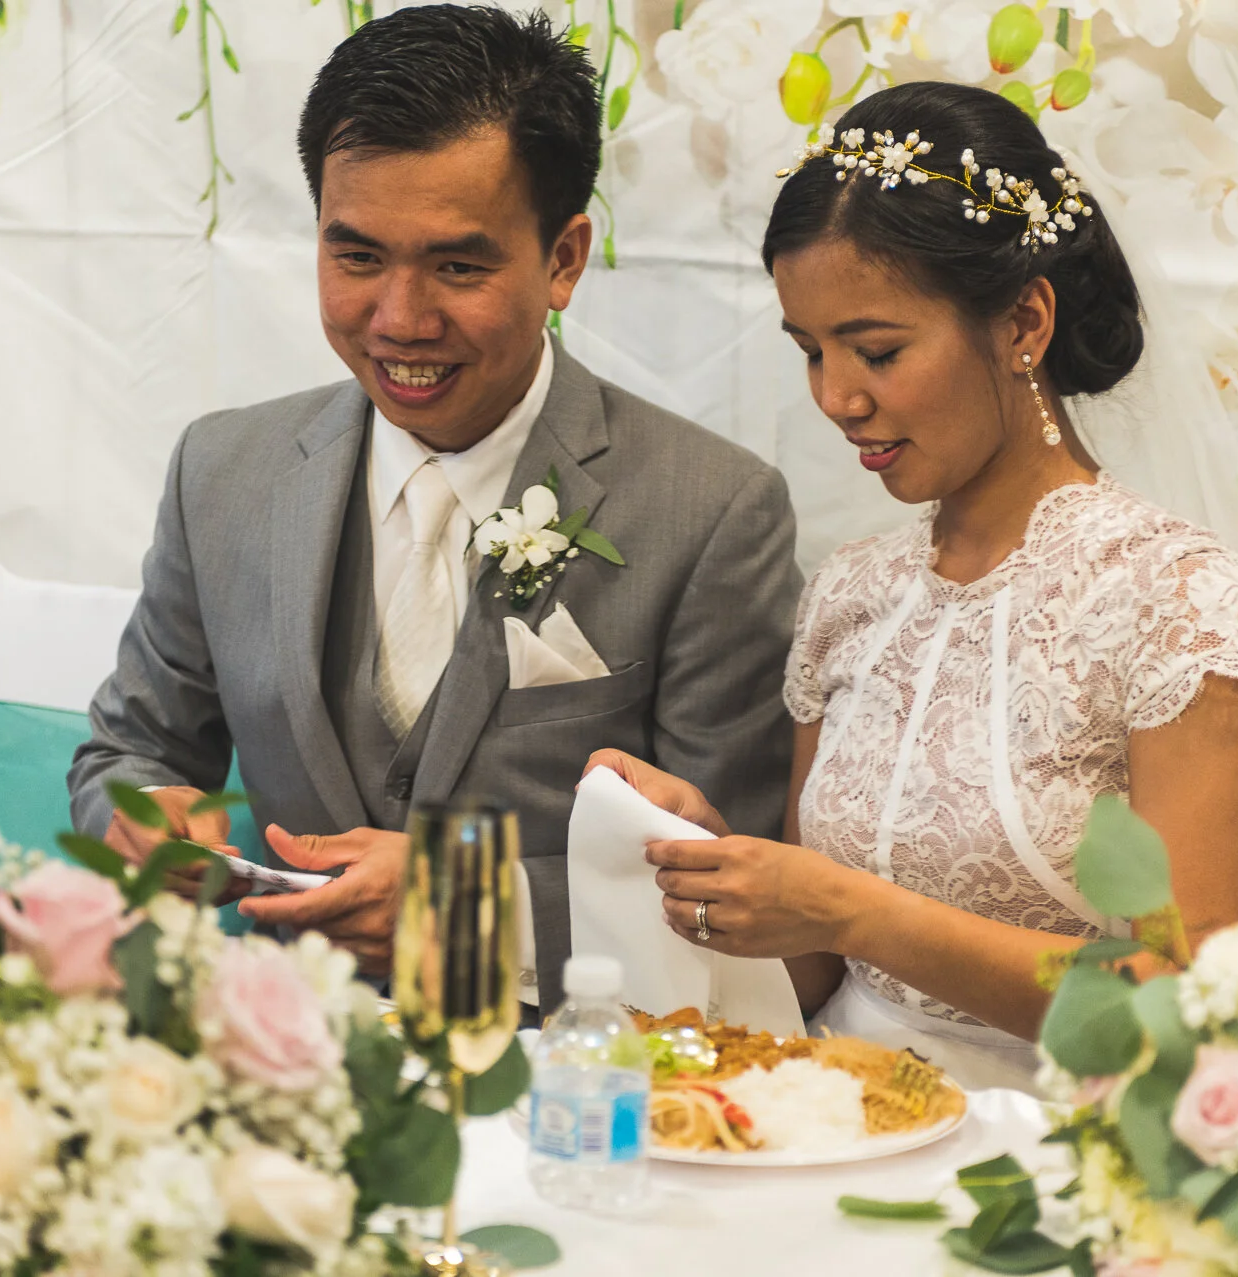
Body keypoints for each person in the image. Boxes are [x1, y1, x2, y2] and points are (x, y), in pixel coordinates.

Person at [68, 5, 801, 1015]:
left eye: (458, 266)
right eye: (357, 257)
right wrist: (148, 812)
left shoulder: (714, 511)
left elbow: (742, 887)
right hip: (278, 1045)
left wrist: (472, 908)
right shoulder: (221, 473)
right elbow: (131, 748)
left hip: (574, 1069)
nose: (400, 319)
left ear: (564, 258)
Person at [595, 81, 1238, 1092]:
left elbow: (1193, 1006)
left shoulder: (1174, 601)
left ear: (1023, 323)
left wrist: (849, 907)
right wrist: (707, 863)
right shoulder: (852, 594)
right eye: (811, 352)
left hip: (1061, 1136)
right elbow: (813, 967)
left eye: (876, 350)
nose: (837, 397)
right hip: (833, 1103)